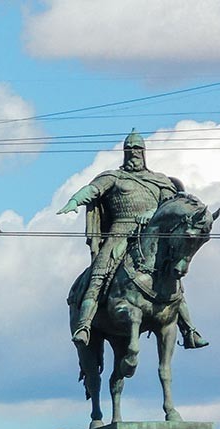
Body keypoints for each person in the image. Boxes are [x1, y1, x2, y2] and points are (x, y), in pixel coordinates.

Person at [57, 129, 207, 349]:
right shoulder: (114, 178)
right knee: (99, 274)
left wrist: (154, 214)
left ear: (144, 152)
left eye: (137, 149)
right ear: (124, 152)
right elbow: (93, 190)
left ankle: (189, 330)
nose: (133, 153)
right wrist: (75, 200)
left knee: (172, 278)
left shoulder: (159, 181)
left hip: (151, 236)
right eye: (129, 149)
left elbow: (171, 205)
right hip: (119, 233)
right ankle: (85, 325)